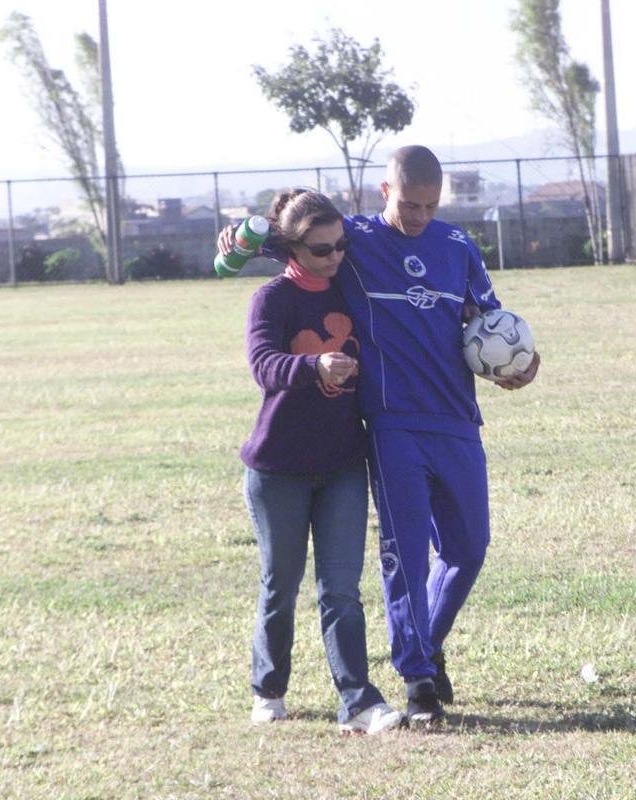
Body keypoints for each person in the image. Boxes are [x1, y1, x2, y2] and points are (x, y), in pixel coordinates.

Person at [220, 146, 539, 729]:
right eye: (409, 203)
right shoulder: (355, 241)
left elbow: (491, 322)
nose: (419, 216)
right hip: (391, 426)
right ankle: (417, 677)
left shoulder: (458, 246)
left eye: (430, 205)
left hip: (457, 421)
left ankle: (428, 644)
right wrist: (236, 237)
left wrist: (519, 363)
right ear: (384, 192)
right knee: (406, 554)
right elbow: (286, 240)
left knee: (469, 549)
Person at [235, 189, 404, 735]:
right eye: (321, 249)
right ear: (292, 248)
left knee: (341, 590)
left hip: (341, 467)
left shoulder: (351, 284)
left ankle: (357, 701)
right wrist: (313, 366)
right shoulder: (271, 299)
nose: (334, 257)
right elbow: (263, 365)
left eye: (340, 246)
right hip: (277, 468)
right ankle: (269, 688)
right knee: (280, 585)